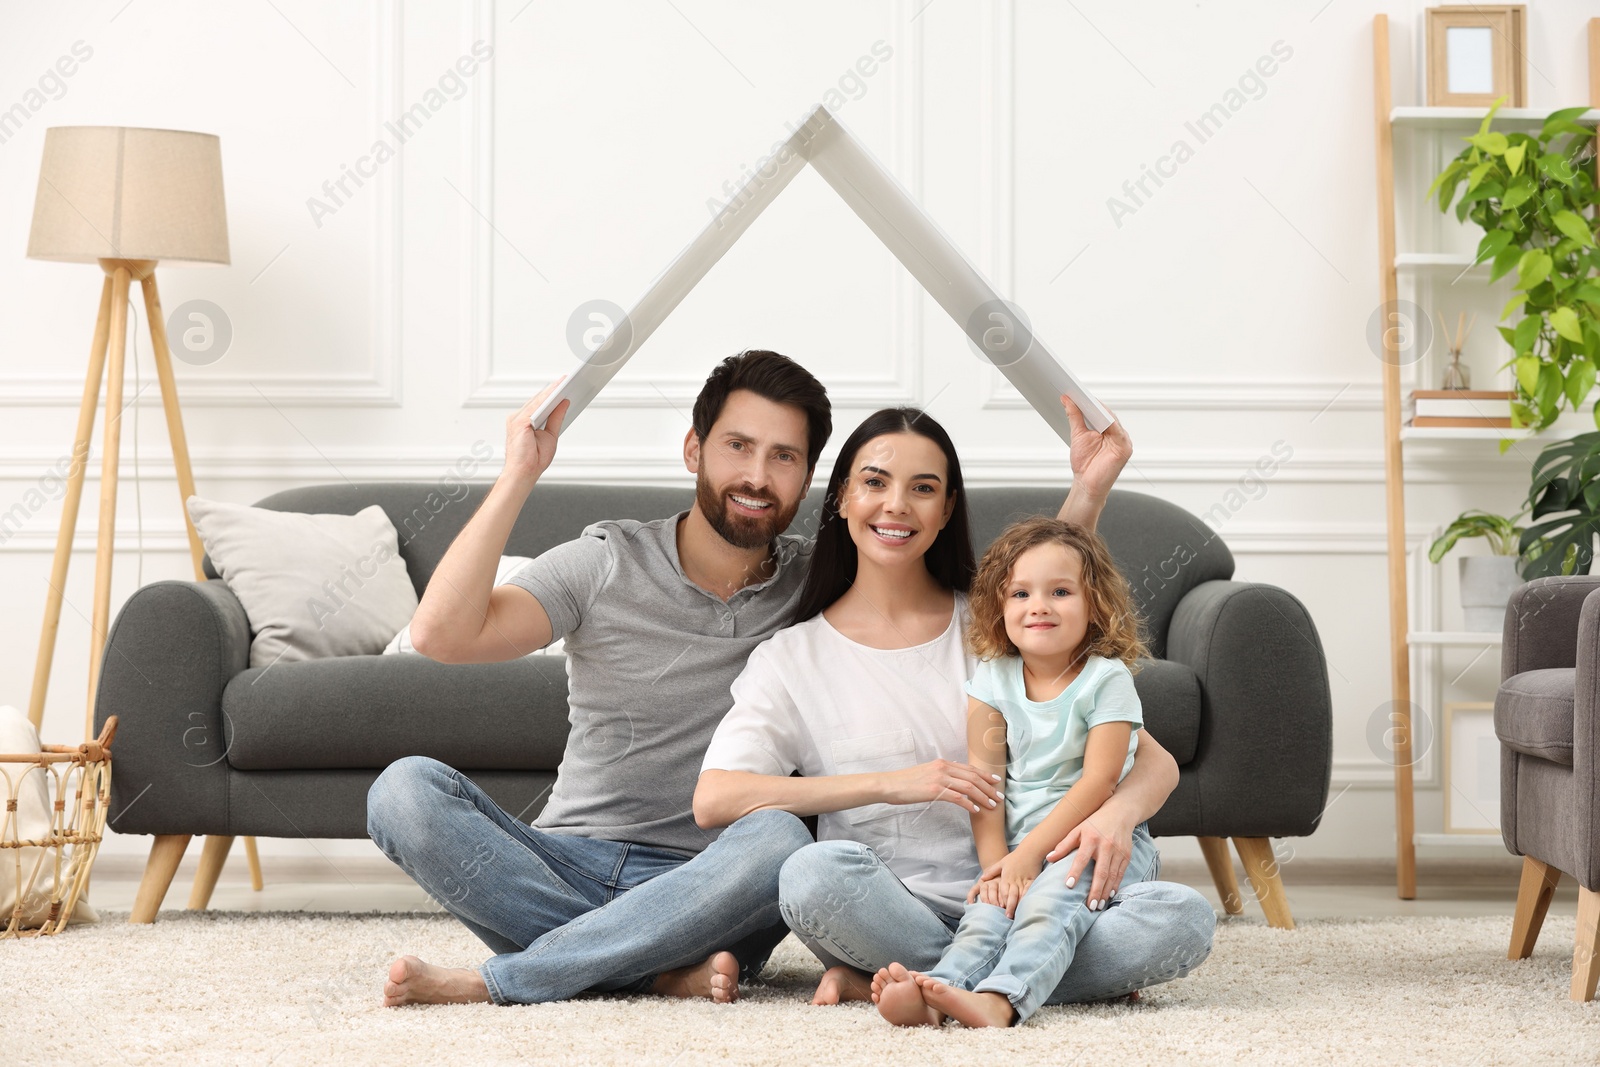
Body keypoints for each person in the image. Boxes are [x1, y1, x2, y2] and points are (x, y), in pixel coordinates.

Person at [693, 405, 1215, 1009]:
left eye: (923, 488)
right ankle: (1012, 979)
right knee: (810, 876)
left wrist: (1116, 817)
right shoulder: (792, 657)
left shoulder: (1000, 633)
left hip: (1032, 891)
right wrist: (893, 784)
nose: (896, 505)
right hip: (894, 910)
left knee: (1182, 919)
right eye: (874, 482)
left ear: (946, 511)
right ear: (840, 498)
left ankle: (916, 983)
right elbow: (715, 798)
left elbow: (1153, 762)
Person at [366, 351, 832, 1006]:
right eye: (738, 446)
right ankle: (653, 971)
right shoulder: (607, 560)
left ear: (807, 476)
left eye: (784, 456)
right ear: (694, 449)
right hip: (566, 860)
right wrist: (518, 474)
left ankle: (509, 978)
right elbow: (441, 635)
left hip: (712, 887)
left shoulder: (821, 585)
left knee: (785, 836)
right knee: (401, 791)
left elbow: (941, 608)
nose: (757, 476)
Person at [873, 517, 1155, 1028]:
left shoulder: (1106, 679)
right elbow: (986, 788)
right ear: (999, 607)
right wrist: (996, 868)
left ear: (1096, 604)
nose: (1039, 606)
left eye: (1061, 591)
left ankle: (1001, 1002)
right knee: (983, 918)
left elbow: (1100, 783)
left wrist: (1027, 859)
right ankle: (939, 994)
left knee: (1048, 905)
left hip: (1089, 845)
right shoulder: (992, 680)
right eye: (1021, 593)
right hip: (1020, 852)